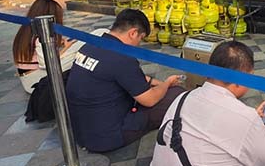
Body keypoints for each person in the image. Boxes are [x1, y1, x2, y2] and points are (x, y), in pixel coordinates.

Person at [65, 9, 185, 152]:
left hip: (82, 132)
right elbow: (150, 99)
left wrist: (156, 83)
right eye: (140, 38)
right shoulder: (121, 57)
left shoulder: (91, 46)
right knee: (177, 95)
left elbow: (123, 75)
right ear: (133, 33)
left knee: (160, 90)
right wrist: (167, 83)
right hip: (108, 136)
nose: (139, 44)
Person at [13, 0, 107, 94]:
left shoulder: (26, 31)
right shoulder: (39, 36)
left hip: (31, 79)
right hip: (38, 81)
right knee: (94, 38)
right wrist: (67, 47)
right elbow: (47, 63)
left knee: (88, 41)